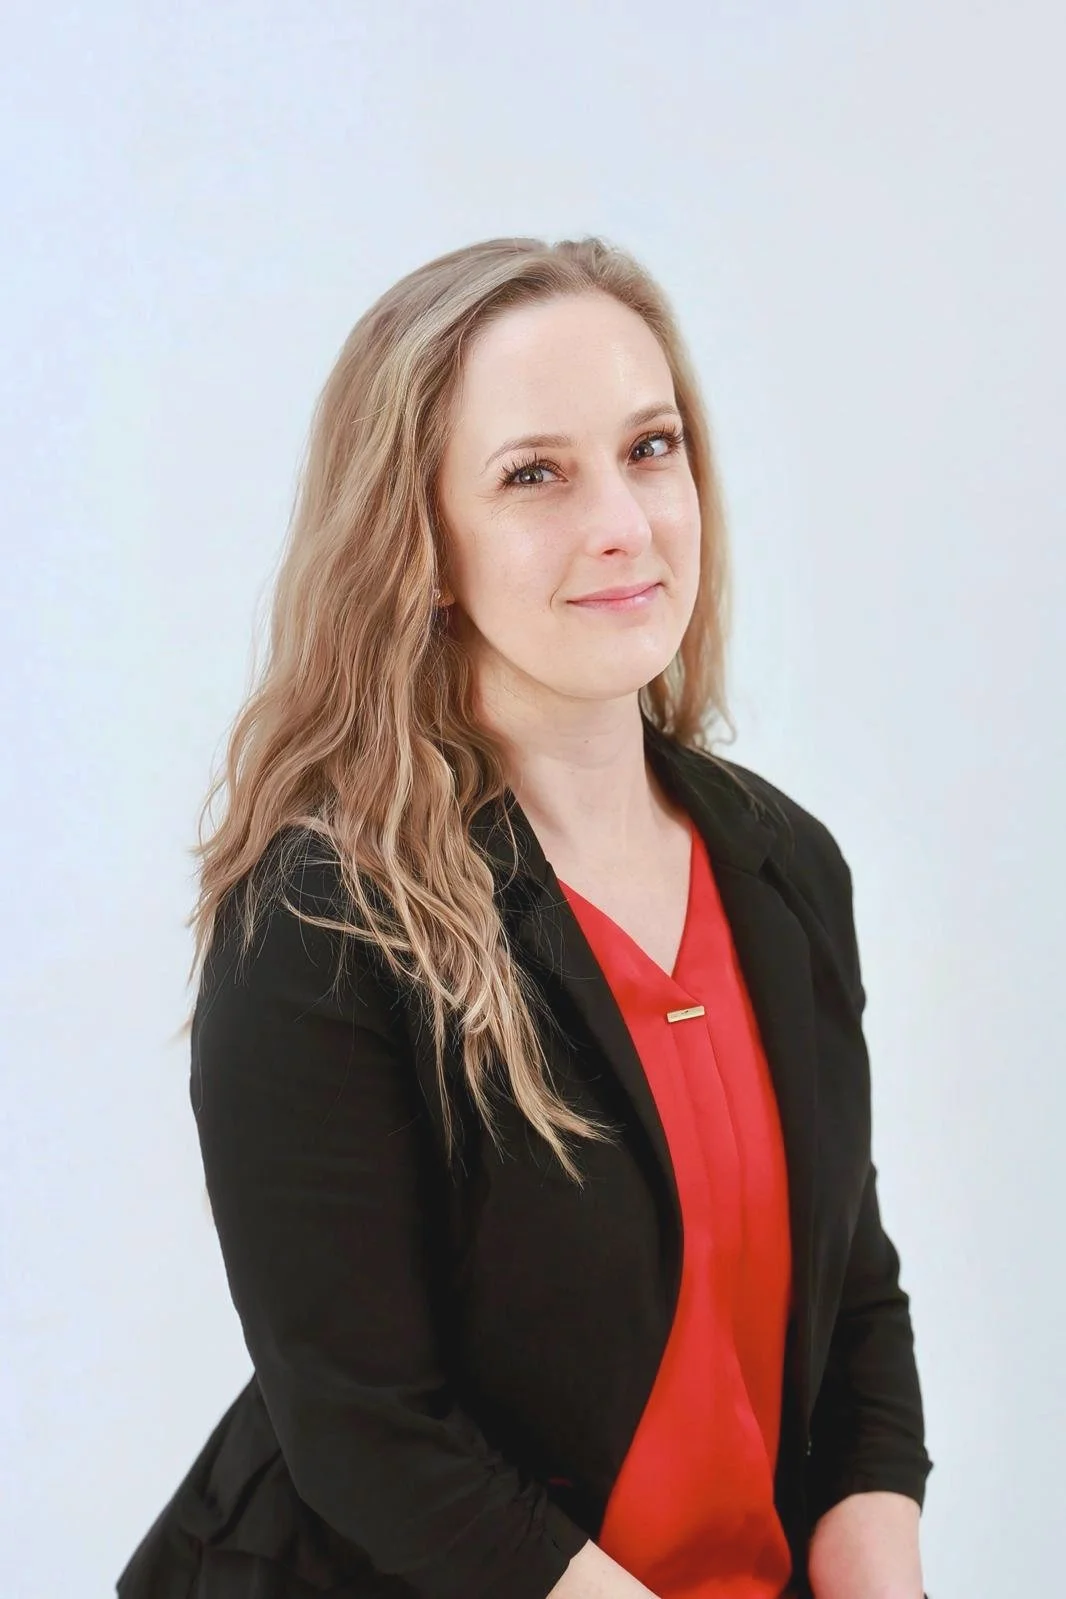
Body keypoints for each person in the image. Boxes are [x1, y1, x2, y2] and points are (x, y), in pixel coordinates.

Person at [116, 236, 933, 1599]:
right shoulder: (323, 924)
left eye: (649, 448)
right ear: (421, 543)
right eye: (533, 474)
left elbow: (851, 1305)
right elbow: (370, 1434)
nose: (623, 521)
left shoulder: (784, 865)